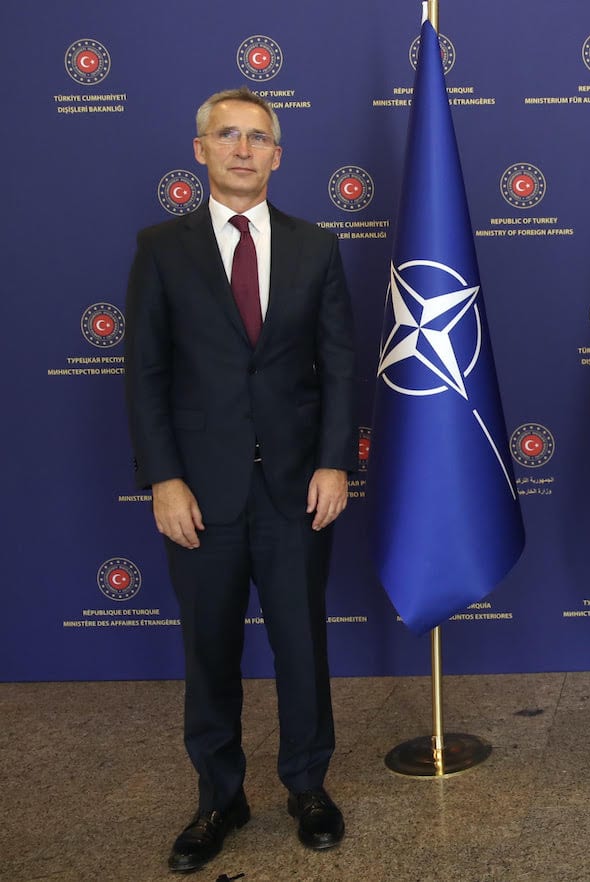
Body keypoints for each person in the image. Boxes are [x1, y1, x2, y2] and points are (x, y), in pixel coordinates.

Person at [124, 87, 357, 873]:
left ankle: (308, 786)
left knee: (302, 646)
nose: (243, 148)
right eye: (228, 134)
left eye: (258, 137)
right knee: (210, 652)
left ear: (277, 155)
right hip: (201, 494)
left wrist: (334, 461)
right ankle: (219, 797)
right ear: (201, 150)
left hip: (296, 489)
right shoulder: (161, 248)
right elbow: (146, 376)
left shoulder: (316, 247)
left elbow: (340, 368)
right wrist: (164, 480)